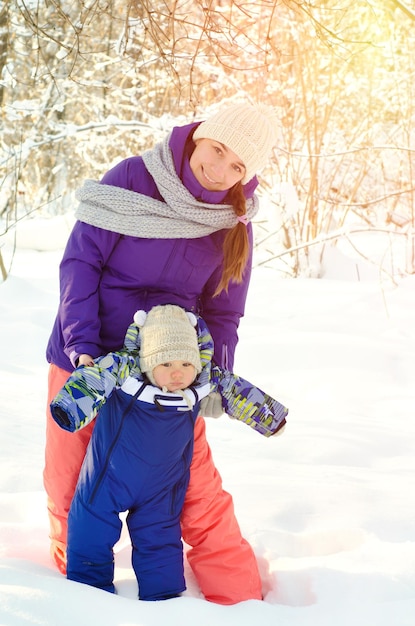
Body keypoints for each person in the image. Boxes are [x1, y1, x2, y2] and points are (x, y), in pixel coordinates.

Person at [44, 100, 280, 604]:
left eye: (237, 165)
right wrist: (82, 345)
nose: (219, 170)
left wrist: (216, 377)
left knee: (194, 487)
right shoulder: (131, 178)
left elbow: (223, 312)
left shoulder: (234, 220)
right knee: (71, 480)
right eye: (217, 149)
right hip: (86, 357)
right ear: (199, 137)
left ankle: (241, 602)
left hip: (170, 372)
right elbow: (80, 265)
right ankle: (74, 599)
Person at [50, 304, 287, 600]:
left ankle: (165, 605)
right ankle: (89, 597)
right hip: (107, 480)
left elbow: (236, 389)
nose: (178, 374)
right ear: (148, 363)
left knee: (160, 541)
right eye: (167, 365)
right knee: (90, 531)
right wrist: (68, 409)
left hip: (160, 491)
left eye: (187, 365)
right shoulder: (125, 370)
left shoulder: (201, 385)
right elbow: (96, 377)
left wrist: (270, 418)